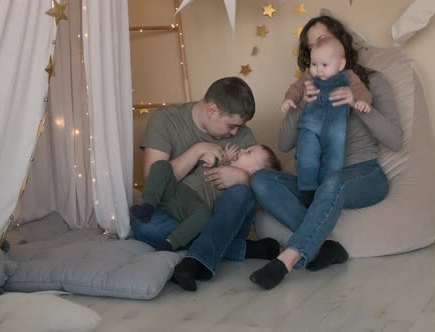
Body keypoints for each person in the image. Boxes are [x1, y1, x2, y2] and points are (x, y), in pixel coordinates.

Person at [249, 15, 404, 290]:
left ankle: (287, 258)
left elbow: (395, 139)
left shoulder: (371, 83)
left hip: (363, 174)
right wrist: (299, 106)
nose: (316, 51)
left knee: (334, 181)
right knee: (261, 179)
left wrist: (356, 103)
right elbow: (284, 144)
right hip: (315, 182)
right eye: (311, 49)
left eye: (321, 40)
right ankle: (323, 249)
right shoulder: (306, 87)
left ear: (340, 45)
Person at [133, 77, 281, 292]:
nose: (235, 133)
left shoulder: (242, 132)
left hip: (225, 218)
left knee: (241, 193)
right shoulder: (166, 120)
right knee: (145, 226)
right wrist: (197, 151)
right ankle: (243, 249)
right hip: (183, 213)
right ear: (212, 110)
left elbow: (265, 181)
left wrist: (243, 178)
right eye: (231, 126)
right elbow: (153, 180)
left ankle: (196, 260)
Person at [130, 144, 281, 252]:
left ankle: (171, 242)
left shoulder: (243, 190)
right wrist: (221, 158)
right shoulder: (226, 160)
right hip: (176, 192)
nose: (242, 149)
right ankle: (148, 206)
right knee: (161, 166)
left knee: (203, 216)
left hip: (193, 207)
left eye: (248, 152)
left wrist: (244, 180)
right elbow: (210, 162)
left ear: (252, 171)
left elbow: (240, 210)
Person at [281, 37, 372, 206]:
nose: (318, 70)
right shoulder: (309, 76)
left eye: (324, 65)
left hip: (335, 131)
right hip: (310, 126)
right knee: (306, 155)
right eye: (314, 64)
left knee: (334, 160)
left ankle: (324, 192)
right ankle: (307, 190)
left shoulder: (349, 77)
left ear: (341, 64)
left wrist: (362, 101)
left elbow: (361, 91)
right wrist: (290, 99)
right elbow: (296, 87)